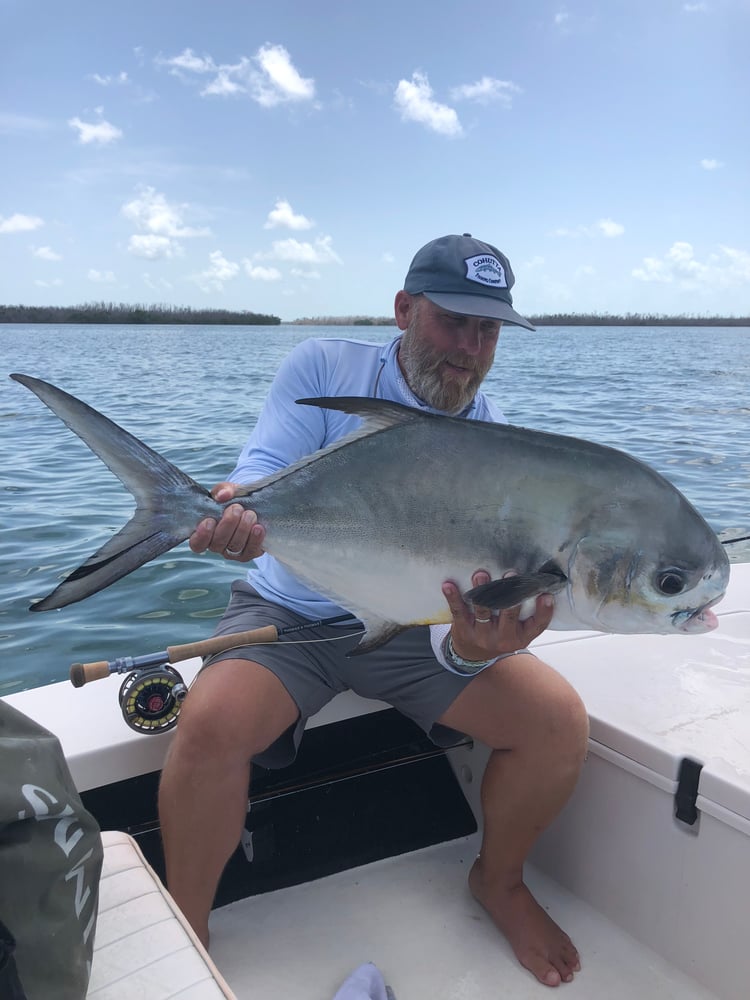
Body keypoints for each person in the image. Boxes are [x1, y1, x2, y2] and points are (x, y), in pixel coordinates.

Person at [158, 234, 589, 988]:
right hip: (290, 615)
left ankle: (499, 880)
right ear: (404, 310)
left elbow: (470, 602)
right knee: (210, 725)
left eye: (488, 330)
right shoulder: (325, 367)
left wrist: (474, 649)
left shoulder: (492, 438)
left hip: (416, 631)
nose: (469, 349)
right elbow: (259, 474)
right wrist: (233, 513)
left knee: (557, 723)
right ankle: (185, 930)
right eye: (454, 322)